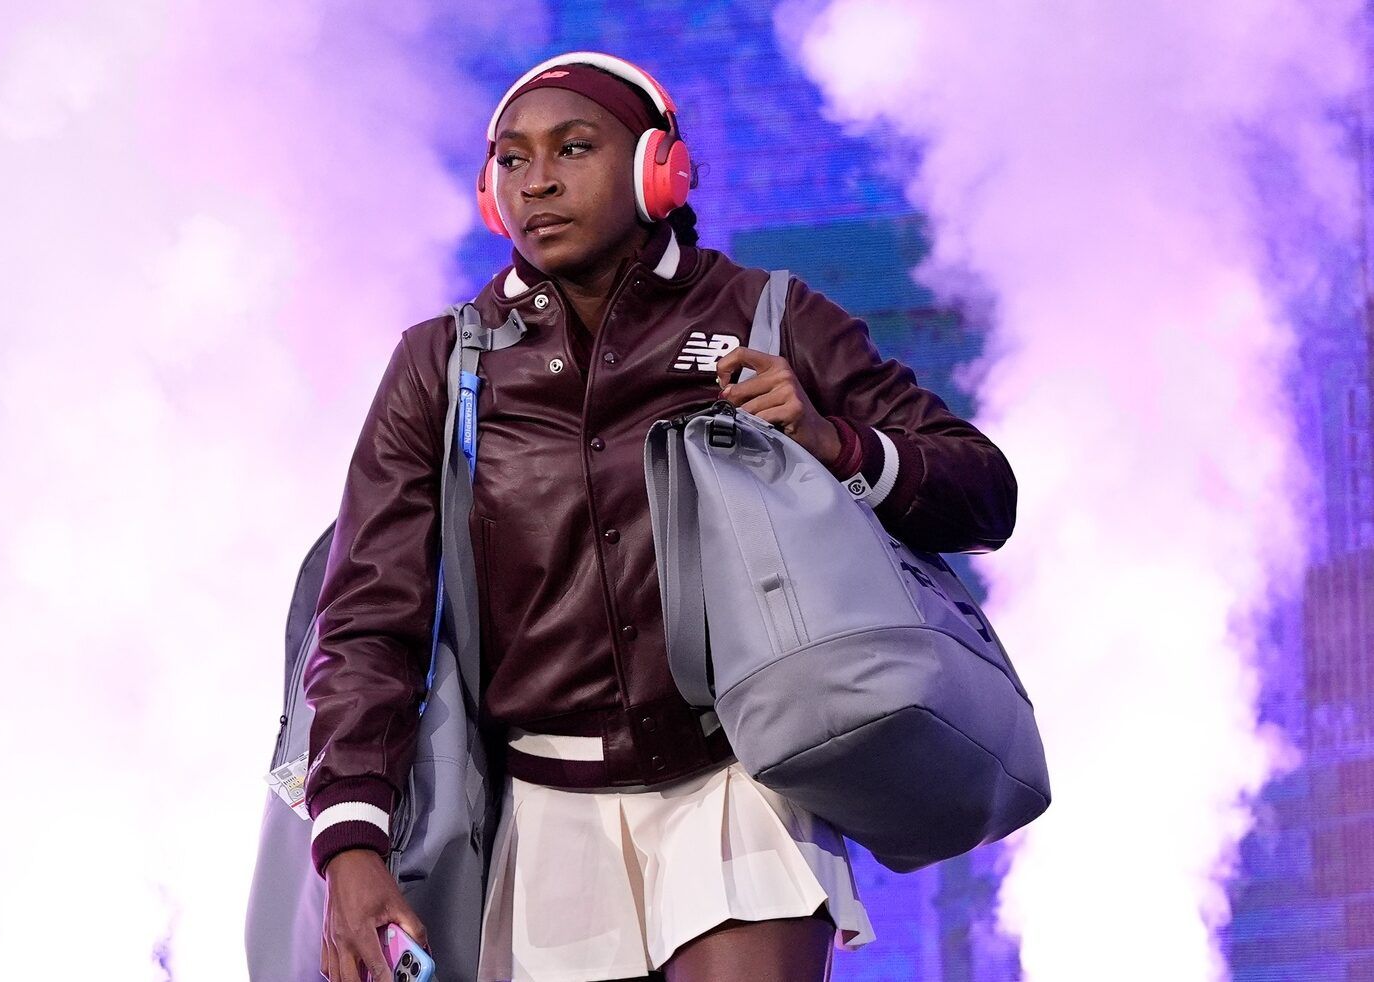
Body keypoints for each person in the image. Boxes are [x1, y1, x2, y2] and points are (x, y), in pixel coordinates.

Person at [305, 51, 1017, 982]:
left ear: (658, 170)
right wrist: (350, 839)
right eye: (512, 161)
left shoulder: (771, 314)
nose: (539, 181)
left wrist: (832, 441)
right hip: (544, 810)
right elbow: (369, 614)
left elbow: (984, 493)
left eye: (573, 147)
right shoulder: (443, 366)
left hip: (739, 788)